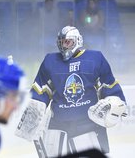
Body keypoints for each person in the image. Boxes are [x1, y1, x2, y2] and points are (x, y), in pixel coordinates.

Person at [15, 26, 127, 157]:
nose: (64, 45)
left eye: (67, 41)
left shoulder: (95, 59)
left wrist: (115, 103)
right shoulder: (50, 62)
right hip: (59, 124)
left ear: (78, 41)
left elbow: (108, 85)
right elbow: (41, 91)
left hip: (88, 124)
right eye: (61, 42)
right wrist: (31, 119)